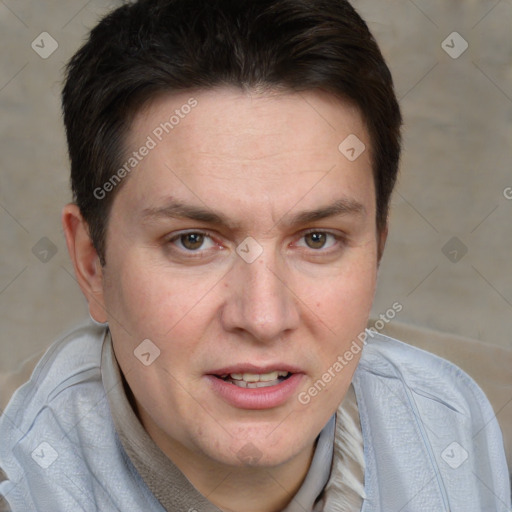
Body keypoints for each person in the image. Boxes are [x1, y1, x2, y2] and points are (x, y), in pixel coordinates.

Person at [0, 0, 509, 510]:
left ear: (377, 249)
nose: (264, 318)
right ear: (92, 265)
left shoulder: (459, 426)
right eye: (193, 241)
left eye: (317, 239)